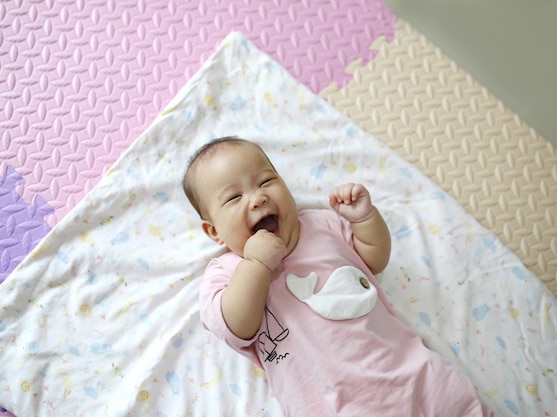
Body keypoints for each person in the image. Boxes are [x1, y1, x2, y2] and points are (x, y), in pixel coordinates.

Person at [183, 137, 495, 417]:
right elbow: (237, 324)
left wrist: (365, 219)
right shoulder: (224, 274)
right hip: (334, 404)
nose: (257, 198)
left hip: (415, 373)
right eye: (234, 198)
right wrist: (255, 264)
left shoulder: (322, 224)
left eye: (266, 181)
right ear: (214, 231)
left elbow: (373, 259)